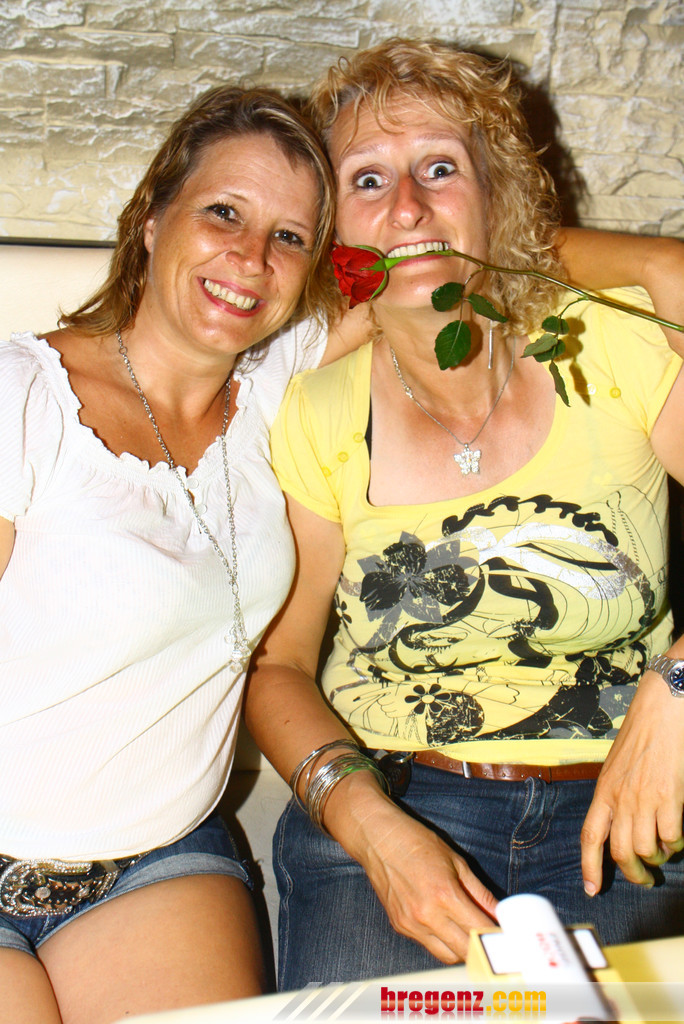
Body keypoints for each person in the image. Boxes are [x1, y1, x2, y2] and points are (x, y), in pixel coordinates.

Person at [244, 38, 684, 989]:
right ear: (332, 230)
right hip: (396, 804)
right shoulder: (316, 408)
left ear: (496, 192)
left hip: (624, 807)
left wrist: (681, 685)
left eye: (439, 168)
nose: (407, 207)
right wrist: (372, 826)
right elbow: (277, 666)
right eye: (367, 180)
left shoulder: (612, 340)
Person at [0, 85, 338, 1024]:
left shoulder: (281, 384)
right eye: (224, 212)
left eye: (289, 236)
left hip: (159, 858)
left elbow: (450, 261)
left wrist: (652, 256)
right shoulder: (23, 396)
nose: (251, 257)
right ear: (151, 219)